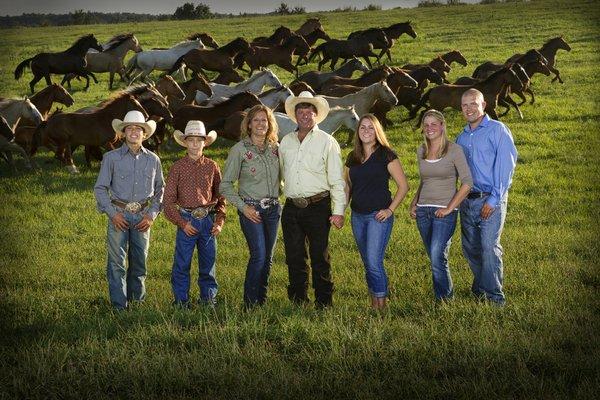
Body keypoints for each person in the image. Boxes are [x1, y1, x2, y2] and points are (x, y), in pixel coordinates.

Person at [279, 91, 346, 308]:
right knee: (294, 257)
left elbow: (336, 179)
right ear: (295, 115)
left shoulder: (328, 142)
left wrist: (338, 211)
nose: (305, 115)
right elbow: (280, 173)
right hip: (291, 208)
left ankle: (324, 302)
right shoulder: (286, 141)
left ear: (316, 115)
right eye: (301, 111)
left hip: (318, 206)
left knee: (319, 256)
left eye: (309, 111)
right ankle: (298, 300)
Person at [94, 110, 164, 311]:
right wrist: (112, 213)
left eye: (138, 129)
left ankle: (137, 302)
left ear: (145, 133)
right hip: (119, 214)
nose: (134, 132)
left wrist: (151, 215)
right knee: (116, 262)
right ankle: (119, 305)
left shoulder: (153, 160)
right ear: (123, 133)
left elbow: (161, 189)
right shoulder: (111, 158)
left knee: (140, 261)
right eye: (129, 128)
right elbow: (100, 188)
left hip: (143, 215)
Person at [456, 88, 517, 305]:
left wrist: (493, 200)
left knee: (489, 247)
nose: (469, 108)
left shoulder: (497, 130)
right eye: (465, 105)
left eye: (474, 103)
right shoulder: (461, 137)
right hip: (467, 200)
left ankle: (494, 297)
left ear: (484, 105)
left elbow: (506, 167)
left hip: (491, 198)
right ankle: (481, 286)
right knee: (470, 247)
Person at [344, 114, 409, 310]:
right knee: (368, 262)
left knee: (373, 261)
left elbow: (403, 186)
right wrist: (340, 211)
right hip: (357, 216)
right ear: (358, 131)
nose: (366, 131)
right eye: (362, 127)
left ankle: (381, 304)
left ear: (377, 131)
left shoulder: (386, 154)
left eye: (370, 128)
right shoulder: (352, 157)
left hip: (378, 217)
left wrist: (390, 210)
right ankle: (375, 301)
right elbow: (346, 186)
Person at [220, 105, 281, 309]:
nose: (261, 124)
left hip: (273, 209)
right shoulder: (240, 150)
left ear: (270, 124)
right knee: (259, 256)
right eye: (256, 120)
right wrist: (244, 208)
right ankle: (249, 304)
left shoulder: (276, 148)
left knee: (269, 259)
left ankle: (261, 302)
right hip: (251, 210)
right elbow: (225, 185)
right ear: (248, 124)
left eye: (264, 120)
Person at [409, 109, 472, 301]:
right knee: (435, 257)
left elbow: (468, 182)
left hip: (444, 212)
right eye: (426, 125)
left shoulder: (454, 150)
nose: (429, 128)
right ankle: (442, 296)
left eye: (433, 124)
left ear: (442, 126)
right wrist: (414, 203)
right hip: (423, 211)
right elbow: (424, 180)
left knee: (437, 255)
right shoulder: (421, 150)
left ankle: (444, 300)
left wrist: (450, 208)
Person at [163, 120, 226, 307]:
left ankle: (208, 300)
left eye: (199, 140)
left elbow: (221, 196)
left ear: (205, 142)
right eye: (191, 140)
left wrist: (219, 221)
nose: (195, 144)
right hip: (187, 219)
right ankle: (181, 301)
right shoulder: (177, 167)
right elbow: (167, 201)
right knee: (182, 264)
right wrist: (182, 224)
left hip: (207, 219)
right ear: (185, 142)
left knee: (208, 264)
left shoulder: (212, 166)